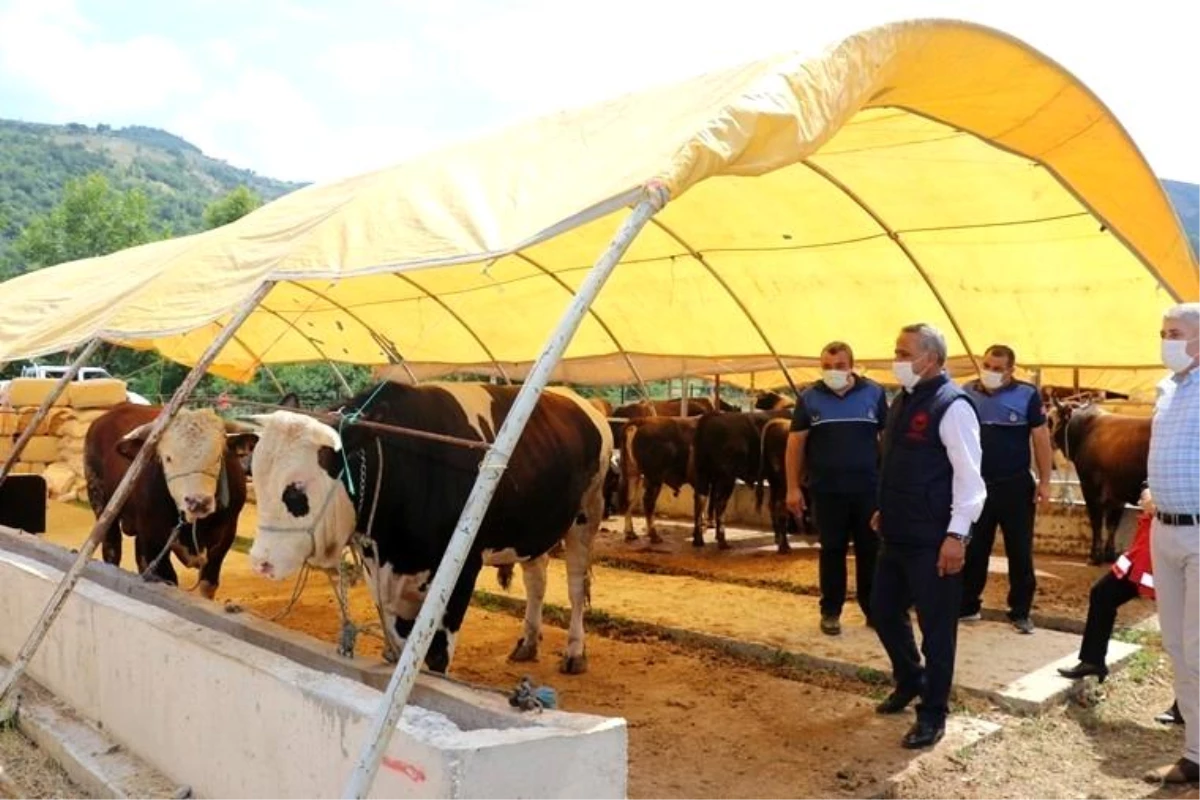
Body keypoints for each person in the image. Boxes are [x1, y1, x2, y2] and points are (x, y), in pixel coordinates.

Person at [871, 323, 986, 749]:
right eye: (896, 350)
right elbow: (901, 465)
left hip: (934, 540)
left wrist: (956, 536)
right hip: (898, 532)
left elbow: (971, 481)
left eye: (904, 353)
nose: (897, 359)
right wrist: (887, 507)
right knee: (882, 609)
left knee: (937, 630)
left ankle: (933, 714)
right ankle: (910, 679)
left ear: (931, 359)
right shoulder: (903, 399)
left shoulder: (952, 406)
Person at [785, 341, 889, 635]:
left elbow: (888, 441)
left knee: (871, 550)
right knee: (832, 550)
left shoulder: (874, 393)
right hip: (827, 490)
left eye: (840, 366)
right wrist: (792, 488)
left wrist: (890, 484)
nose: (833, 372)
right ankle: (831, 611)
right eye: (828, 367)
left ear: (851, 366)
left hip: (868, 489)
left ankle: (874, 610)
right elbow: (796, 443)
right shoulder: (809, 398)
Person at [1142, 302, 1200, 785]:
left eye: (1175, 333)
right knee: (1178, 645)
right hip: (1164, 527)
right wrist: (1152, 490)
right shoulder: (1166, 391)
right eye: (1163, 332)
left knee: (1198, 646)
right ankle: (1196, 753)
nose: (1166, 341)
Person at [959, 345, 1053, 634]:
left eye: (999, 369)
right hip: (978, 485)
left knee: (1020, 551)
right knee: (975, 548)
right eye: (987, 365)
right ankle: (968, 606)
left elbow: (1040, 438)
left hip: (1015, 485)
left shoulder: (1026, 395)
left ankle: (1020, 611)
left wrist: (1045, 482)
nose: (991, 372)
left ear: (1011, 370)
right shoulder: (966, 392)